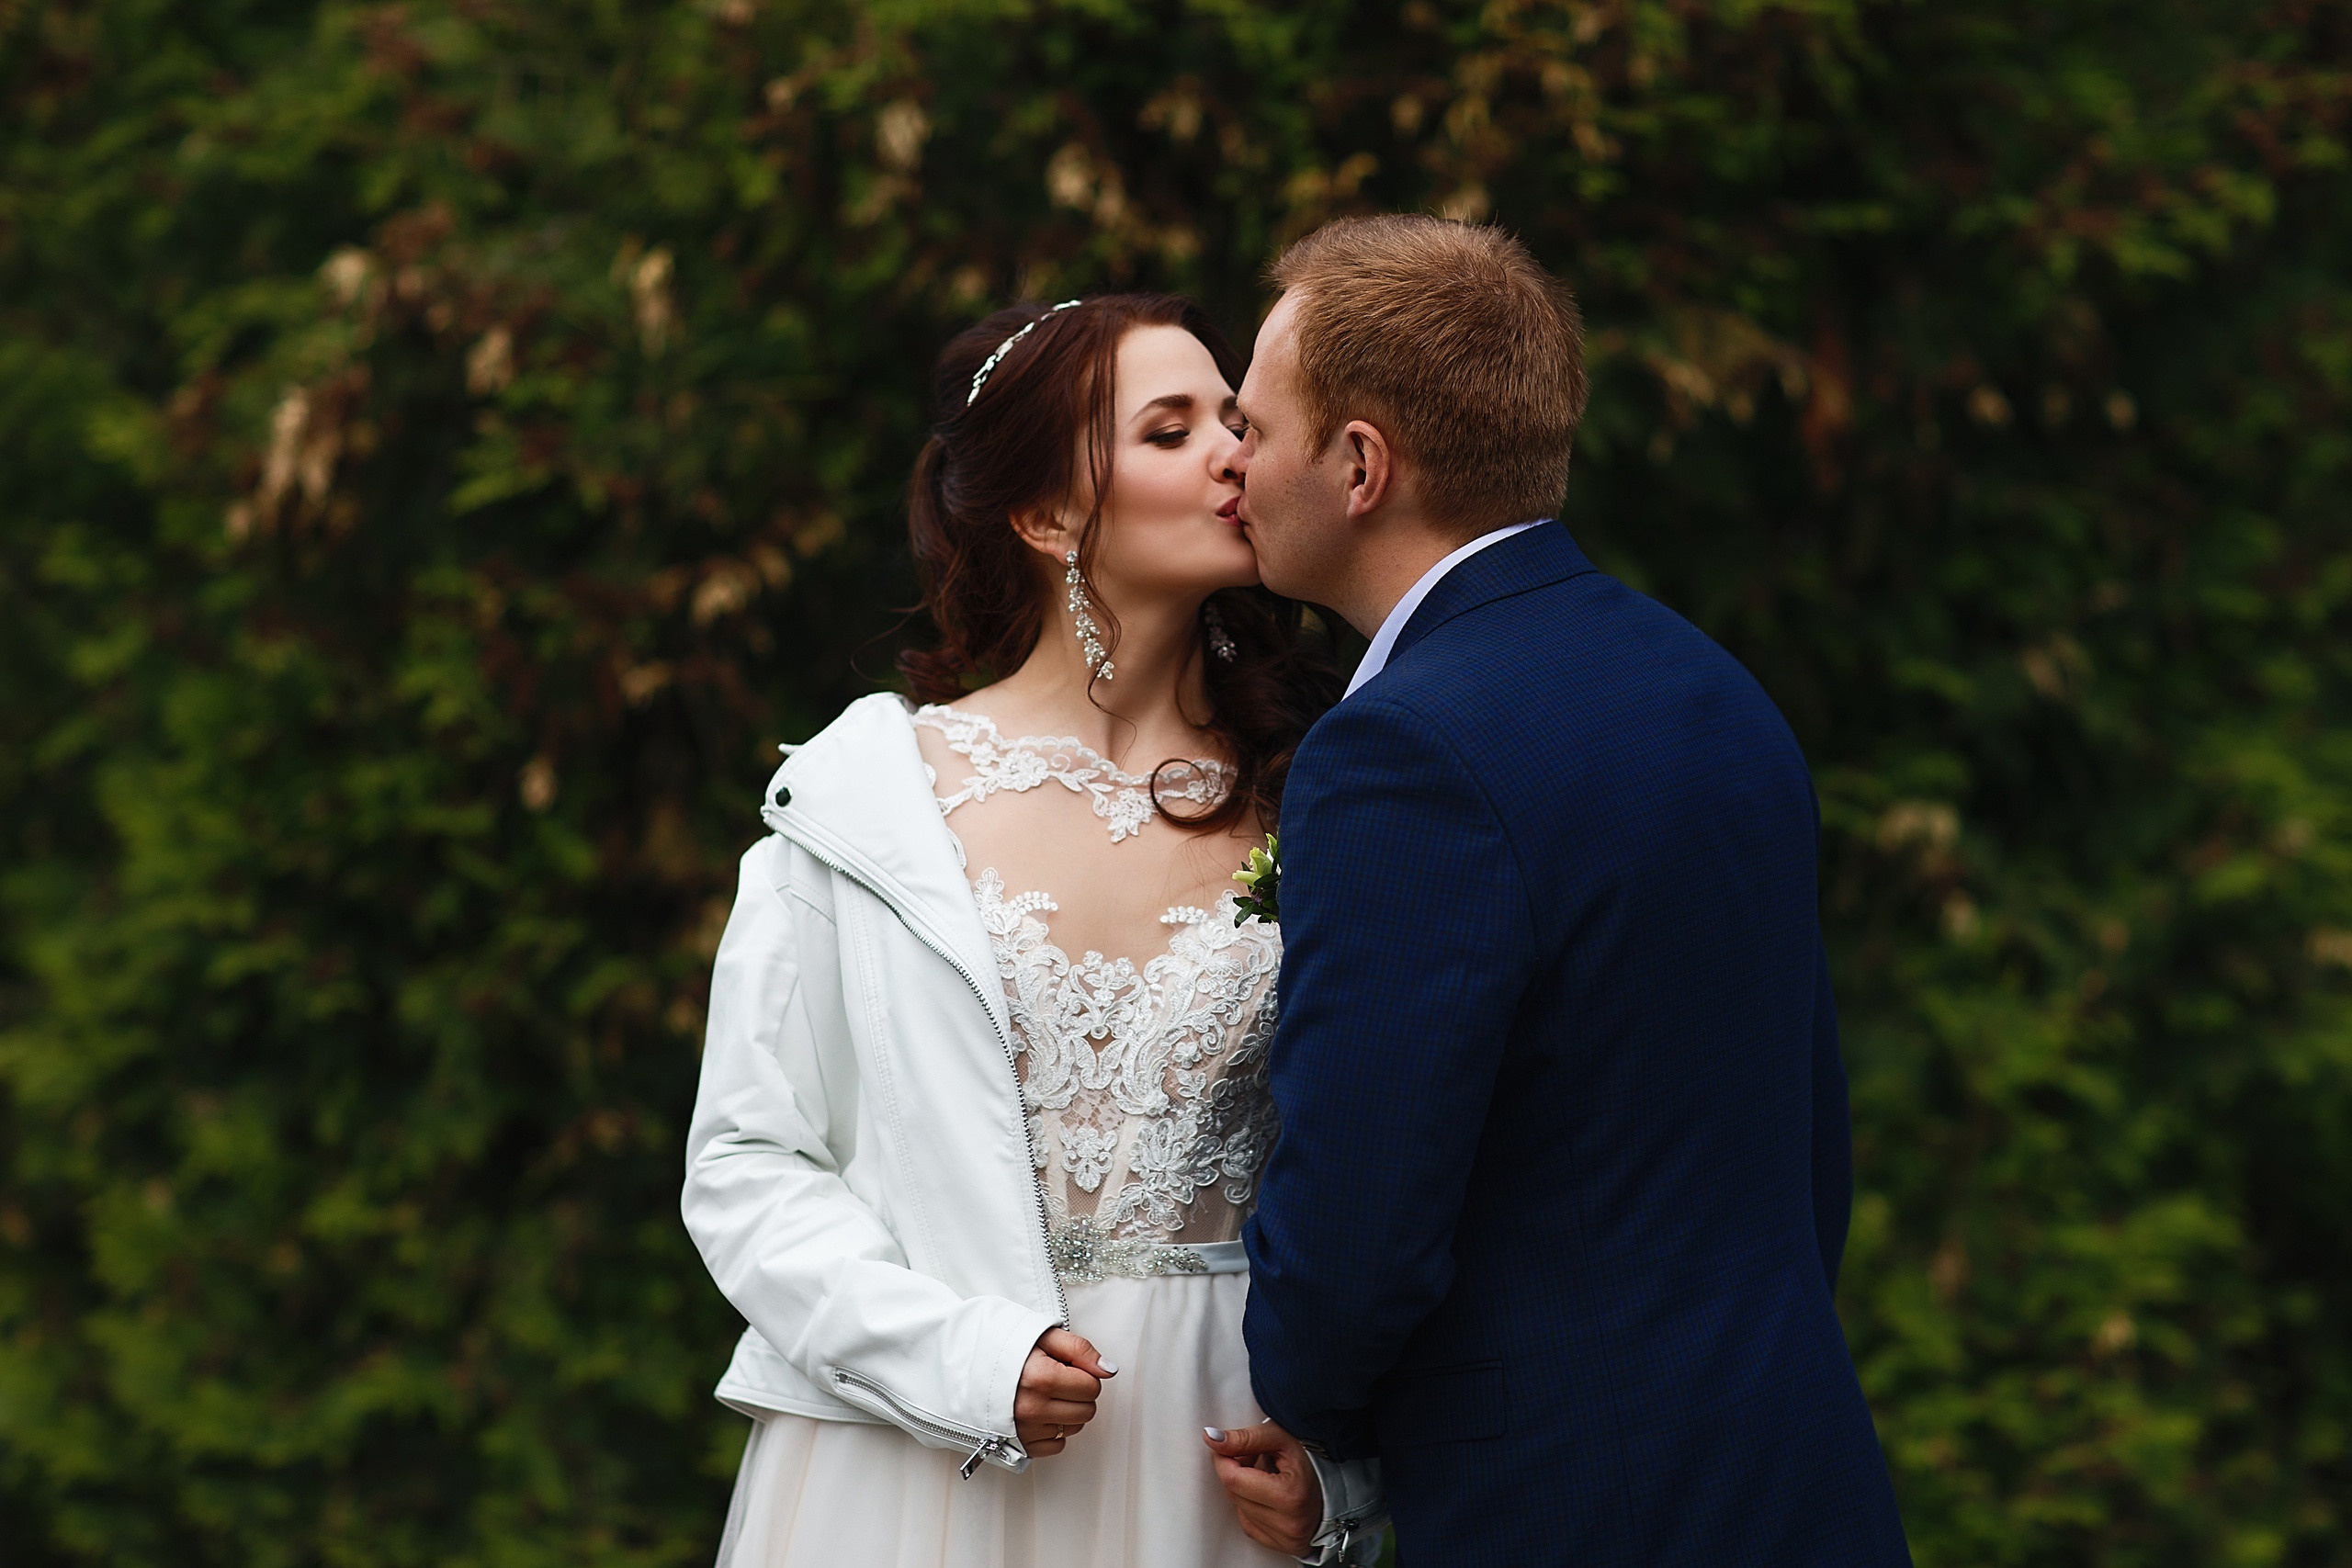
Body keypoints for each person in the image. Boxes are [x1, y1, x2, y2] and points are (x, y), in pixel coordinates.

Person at [1212, 214, 1916, 1564]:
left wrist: (1314, 1413)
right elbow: (1802, 1142)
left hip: (1573, 1500)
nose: (1236, 463)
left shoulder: (1403, 751)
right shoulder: (1710, 686)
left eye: (1255, 424)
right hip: (1791, 1463)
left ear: (1359, 465)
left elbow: (1361, 1225)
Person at [681, 292, 1377, 1567]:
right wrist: (955, 1358)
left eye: (1235, 417)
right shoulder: (864, 806)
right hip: (914, 1463)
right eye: (1171, 430)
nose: (1233, 450)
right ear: (1051, 514)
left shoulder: (1326, 793)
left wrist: (1348, 1474)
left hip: (1210, 1464)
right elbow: (747, 1164)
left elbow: (1384, 1169)